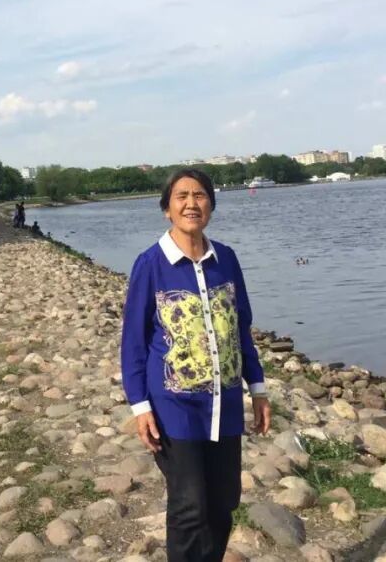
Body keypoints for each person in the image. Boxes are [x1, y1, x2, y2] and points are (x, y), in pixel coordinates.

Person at [121, 169, 270, 562]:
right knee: (189, 506)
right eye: (181, 196)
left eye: (200, 195)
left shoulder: (227, 260)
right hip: (174, 408)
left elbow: (240, 327)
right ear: (167, 209)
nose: (192, 203)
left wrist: (258, 388)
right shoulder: (150, 264)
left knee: (223, 503)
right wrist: (140, 406)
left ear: (211, 205)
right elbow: (133, 342)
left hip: (225, 404)